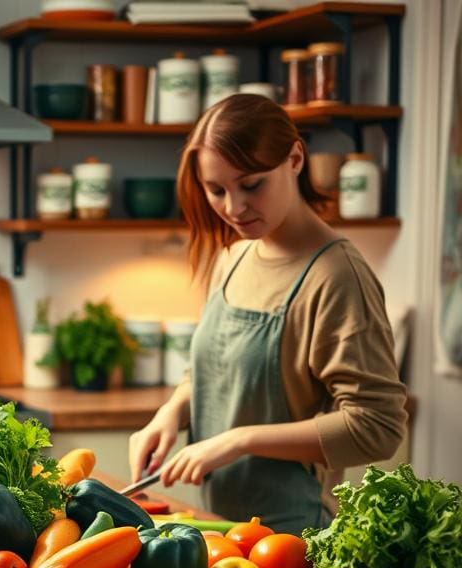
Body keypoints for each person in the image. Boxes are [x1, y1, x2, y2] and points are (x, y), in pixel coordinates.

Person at [128, 94, 407, 535]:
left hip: (292, 541)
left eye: (251, 184)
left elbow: (378, 425)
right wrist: (170, 413)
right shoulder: (233, 257)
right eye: (216, 190)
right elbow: (214, 369)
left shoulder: (336, 277)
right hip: (222, 530)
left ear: (295, 158)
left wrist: (240, 440)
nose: (234, 208)